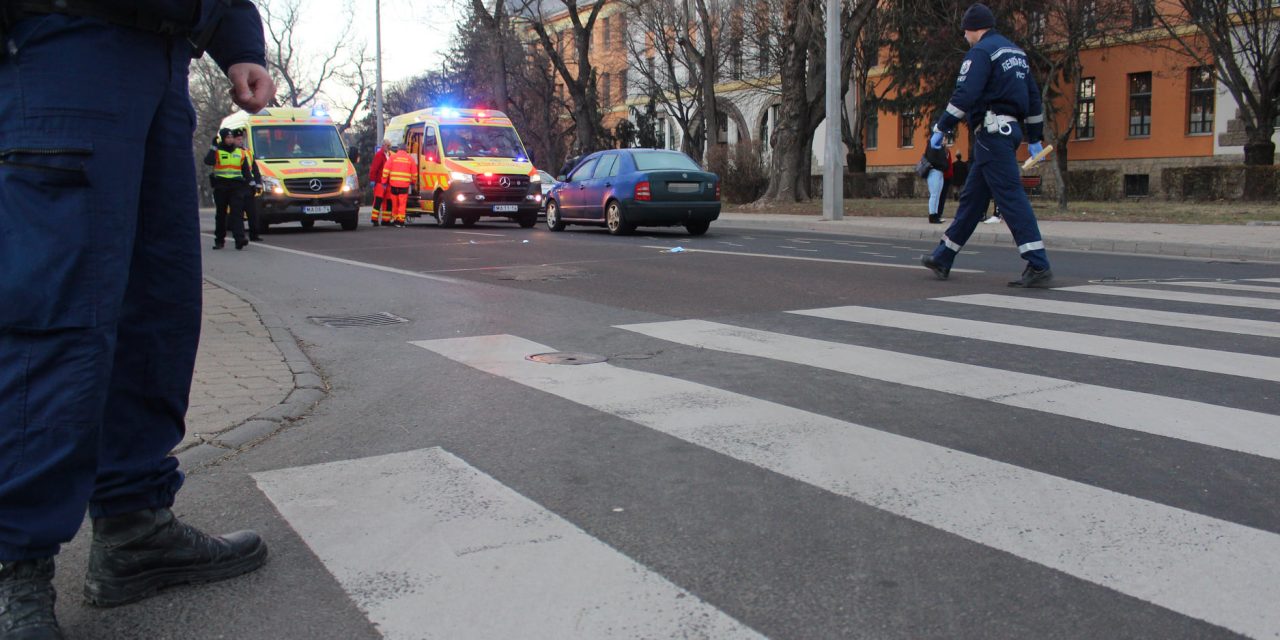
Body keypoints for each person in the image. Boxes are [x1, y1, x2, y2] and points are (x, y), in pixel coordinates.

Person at [0, 2, 275, 638]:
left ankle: (135, 527)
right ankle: (18, 562)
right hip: (62, 44)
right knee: (55, 307)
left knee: (159, 305)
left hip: (163, 58)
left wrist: (238, 41)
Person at [920, 3, 1053, 288]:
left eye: (965, 32)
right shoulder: (1017, 54)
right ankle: (943, 256)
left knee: (1010, 196)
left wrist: (941, 127)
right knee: (973, 199)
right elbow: (1033, 99)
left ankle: (1038, 263)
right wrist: (1033, 137)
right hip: (1009, 131)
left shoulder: (980, 52)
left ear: (973, 29)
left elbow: (966, 93)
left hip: (992, 133)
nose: (965, 38)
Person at [205, 128, 253, 250]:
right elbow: (209, 161)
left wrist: (251, 183)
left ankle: (240, 239)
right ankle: (219, 240)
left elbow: (246, 170)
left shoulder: (240, 152)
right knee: (221, 214)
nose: (230, 139)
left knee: (237, 213)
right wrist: (213, 147)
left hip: (236, 187)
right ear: (222, 138)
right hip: (221, 186)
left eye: (231, 137)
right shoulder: (217, 151)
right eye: (227, 137)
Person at [235, 129, 265, 241]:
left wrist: (258, 183)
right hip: (237, 186)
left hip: (249, 187)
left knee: (252, 213)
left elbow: (255, 170)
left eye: (241, 139)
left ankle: (254, 235)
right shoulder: (233, 153)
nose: (241, 141)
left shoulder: (248, 152)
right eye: (238, 139)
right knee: (238, 214)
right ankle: (240, 236)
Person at [381, 141, 417, 228]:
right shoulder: (410, 159)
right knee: (402, 203)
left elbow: (386, 170)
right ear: (406, 149)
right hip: (404, 186)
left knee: (395, 203)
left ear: (398, 149)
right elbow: (414, 173)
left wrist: (384, 181)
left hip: (393, 185)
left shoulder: (393, 157)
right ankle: (401, 221)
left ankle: (395, 220)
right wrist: (413, 182)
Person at [925, 143, 952, 224]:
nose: (944, 140)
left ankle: (936, 215)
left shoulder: (942, 148)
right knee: (934, 195)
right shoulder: (932, 145)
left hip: (940, 172)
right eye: (943, 138)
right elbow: (933, 159)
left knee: (937, 195)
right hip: (934, 172)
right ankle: (932, 215)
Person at [368, 139, 392, 226]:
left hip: (388, 182)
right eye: (387, 146)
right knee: (378, 200)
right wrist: (372, 180)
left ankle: (386, 220)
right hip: (380, 182)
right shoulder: (379, 155)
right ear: (383, 145)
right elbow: (374, 168)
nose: (388, 148)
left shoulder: (389, 155)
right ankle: (374, 219)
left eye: (389, 146)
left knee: (388, 201)